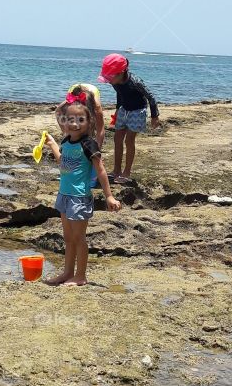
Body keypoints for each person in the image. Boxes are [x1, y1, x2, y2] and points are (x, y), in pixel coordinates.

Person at [42, 90, 121, 286]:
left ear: (89, 122)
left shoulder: (89, 144)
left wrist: (109, 196)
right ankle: (67, 273)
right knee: (68, 238)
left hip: (79, 197)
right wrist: (52, 144)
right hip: (64, 195)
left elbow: (101, 171)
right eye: (70, 119)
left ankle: (81, 275)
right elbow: (64, 164)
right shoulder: (67, 140)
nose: (74, 123)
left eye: (80, 119)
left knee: (79, 238)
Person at [97, 52, 160, 183]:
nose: (108, 81)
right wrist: (116, 113)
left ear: (121, 73)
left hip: (137, 111)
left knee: (129, 141)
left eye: (110, 77)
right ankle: (116, 170)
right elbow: (120, 96)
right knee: (117, 138)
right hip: (123, 109)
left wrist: (154, 116)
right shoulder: (115, 82)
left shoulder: (135, 82)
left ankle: (126, 173)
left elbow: (151, 97)